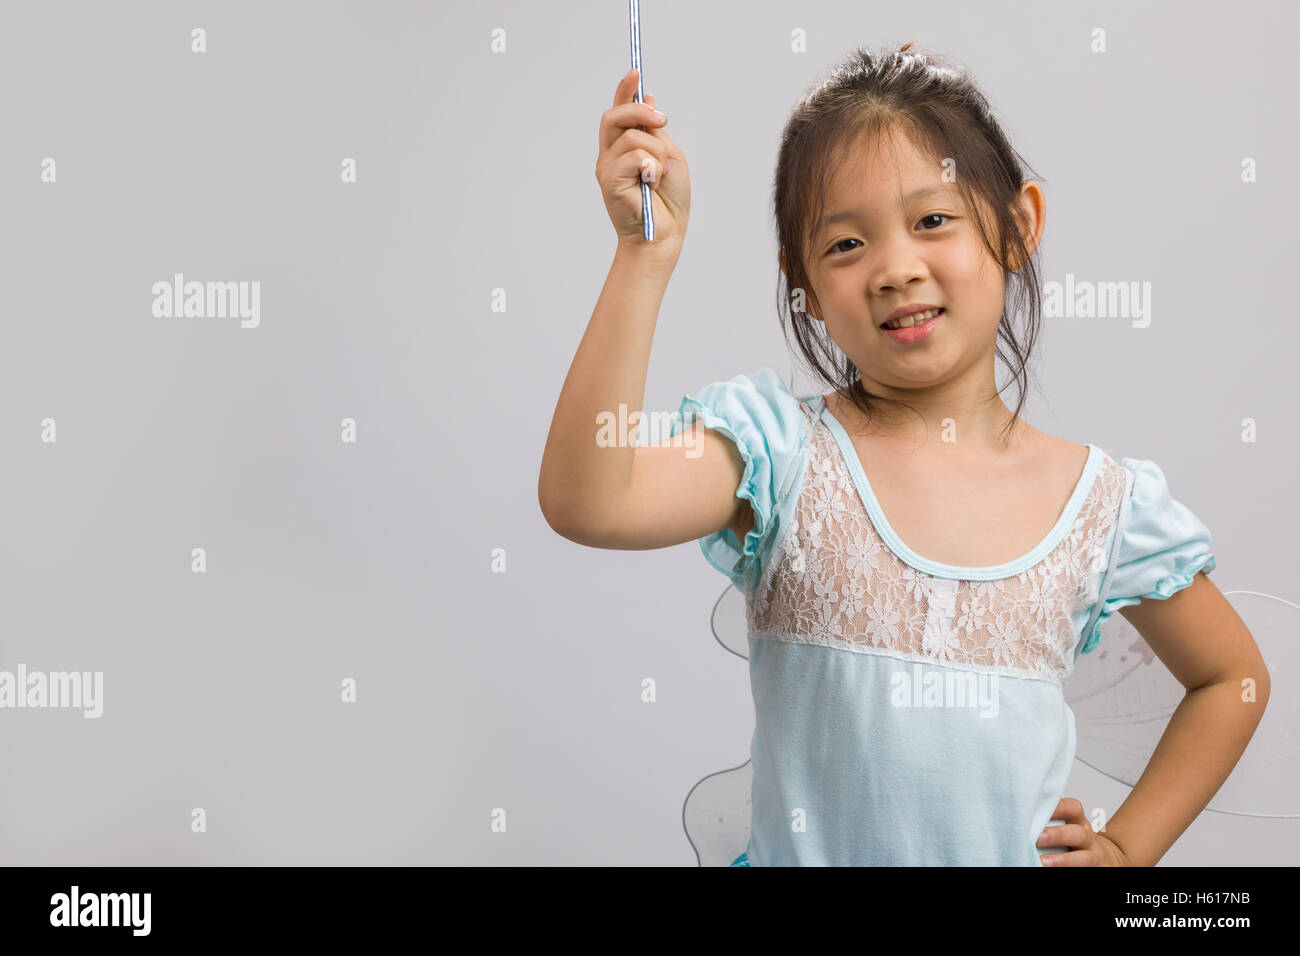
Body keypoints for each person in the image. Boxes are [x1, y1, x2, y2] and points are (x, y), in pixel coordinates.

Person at [538, 42, 1269, 866]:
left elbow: (1232, 682)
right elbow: (589, 501)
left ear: (1018, 223)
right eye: (845, 245)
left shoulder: (1102, 505)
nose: (894, 268)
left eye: (932, 221)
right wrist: (646, 256)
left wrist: (1129, 850)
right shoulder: (781, 456)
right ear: (803, 289)